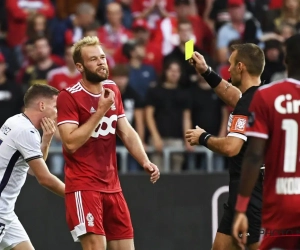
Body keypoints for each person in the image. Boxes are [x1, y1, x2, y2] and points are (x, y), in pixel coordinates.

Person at [56, 36, 160, 250]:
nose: (101, 62)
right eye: (93, 59)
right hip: (84, 186)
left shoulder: (112, 88)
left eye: (102, 57)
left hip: (112, 185)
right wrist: (101, 109)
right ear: (80, 66)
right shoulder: (69, 96)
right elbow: (70, 142)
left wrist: (144, 161)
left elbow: (125, 130)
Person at [185, 44, 265, 250]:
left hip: (252, 191)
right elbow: (234, 96)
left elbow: (232, 147)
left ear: (240, 67)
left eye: (230, 65)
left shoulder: (248, 104)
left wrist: (204, 137)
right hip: (241, 190)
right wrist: (205, 71)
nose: (227, 70)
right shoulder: (258, 95)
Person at [232, 34, 300, 250]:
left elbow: (254, 155)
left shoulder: (267, 96)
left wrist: (241, 208)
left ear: (285, 59)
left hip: (281, 203)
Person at [0, 84, 65, 250]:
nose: (58, 112)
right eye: (56, 107)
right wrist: (77, 195)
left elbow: (32, 170)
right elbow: (44, 178)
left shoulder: (16, 121)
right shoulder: (25, 131)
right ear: (42, 105)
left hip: (5, 211)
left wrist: (47, 140)